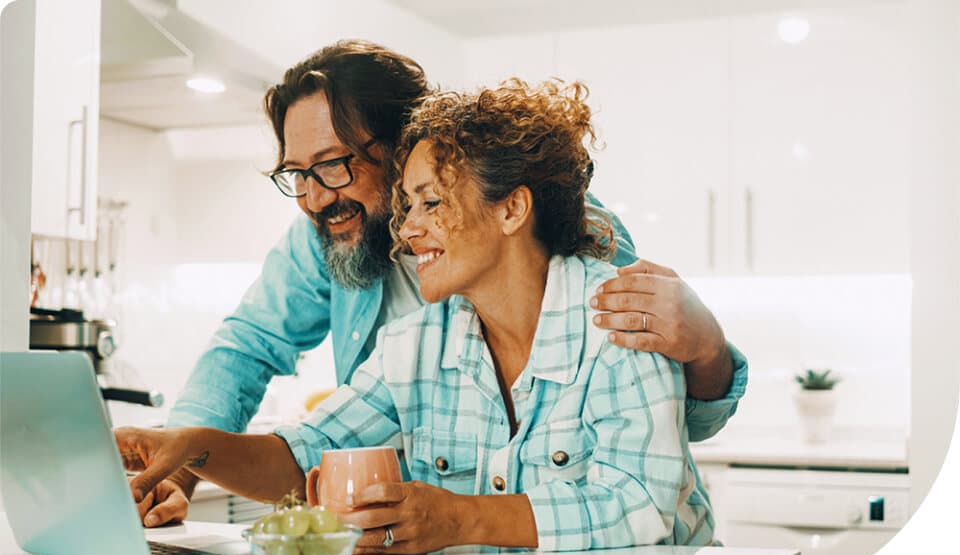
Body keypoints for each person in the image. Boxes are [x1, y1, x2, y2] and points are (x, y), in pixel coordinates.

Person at [135, 40, 746, 528]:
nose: (314, 196)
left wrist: (708, 352)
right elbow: (260, 370)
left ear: (407, 147)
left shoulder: (591, 266)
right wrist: (181, 454)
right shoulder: (406, 326)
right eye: (297, 173)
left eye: (331, 164)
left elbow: (649, 452)